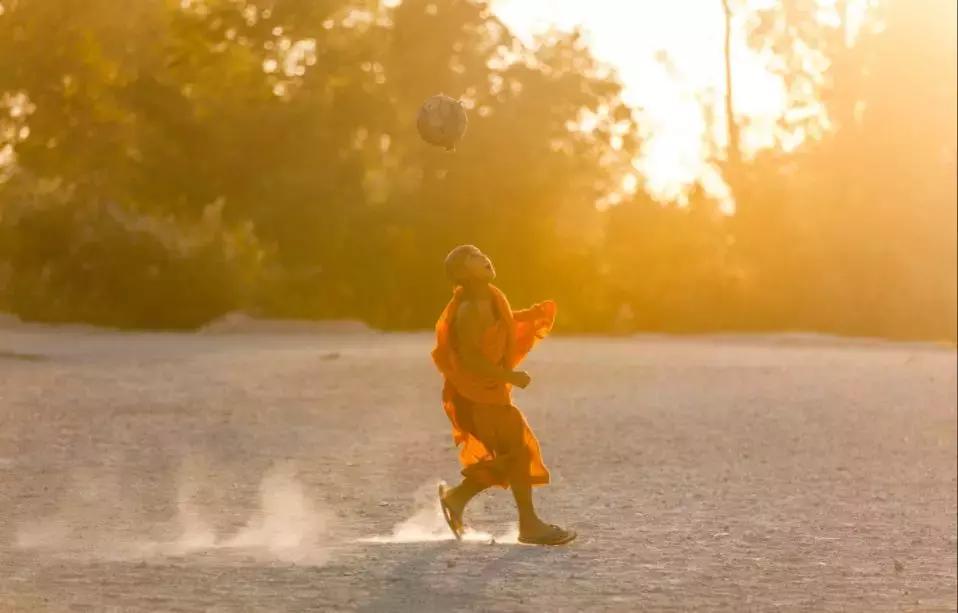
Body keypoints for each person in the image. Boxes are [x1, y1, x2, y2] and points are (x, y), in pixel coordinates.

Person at [432, 244, 576, 545]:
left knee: (515, 454)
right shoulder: (469, 310)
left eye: (482, 253)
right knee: (517, 453)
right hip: (477, 395)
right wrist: (509, 376)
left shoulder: (491, 298)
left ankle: (458, 499)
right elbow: (470, 359)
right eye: (473, 258)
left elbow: (505, 322)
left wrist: (531, 316)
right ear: (462, 274)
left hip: (491, 392)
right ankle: (528, 525)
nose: (484, 258)